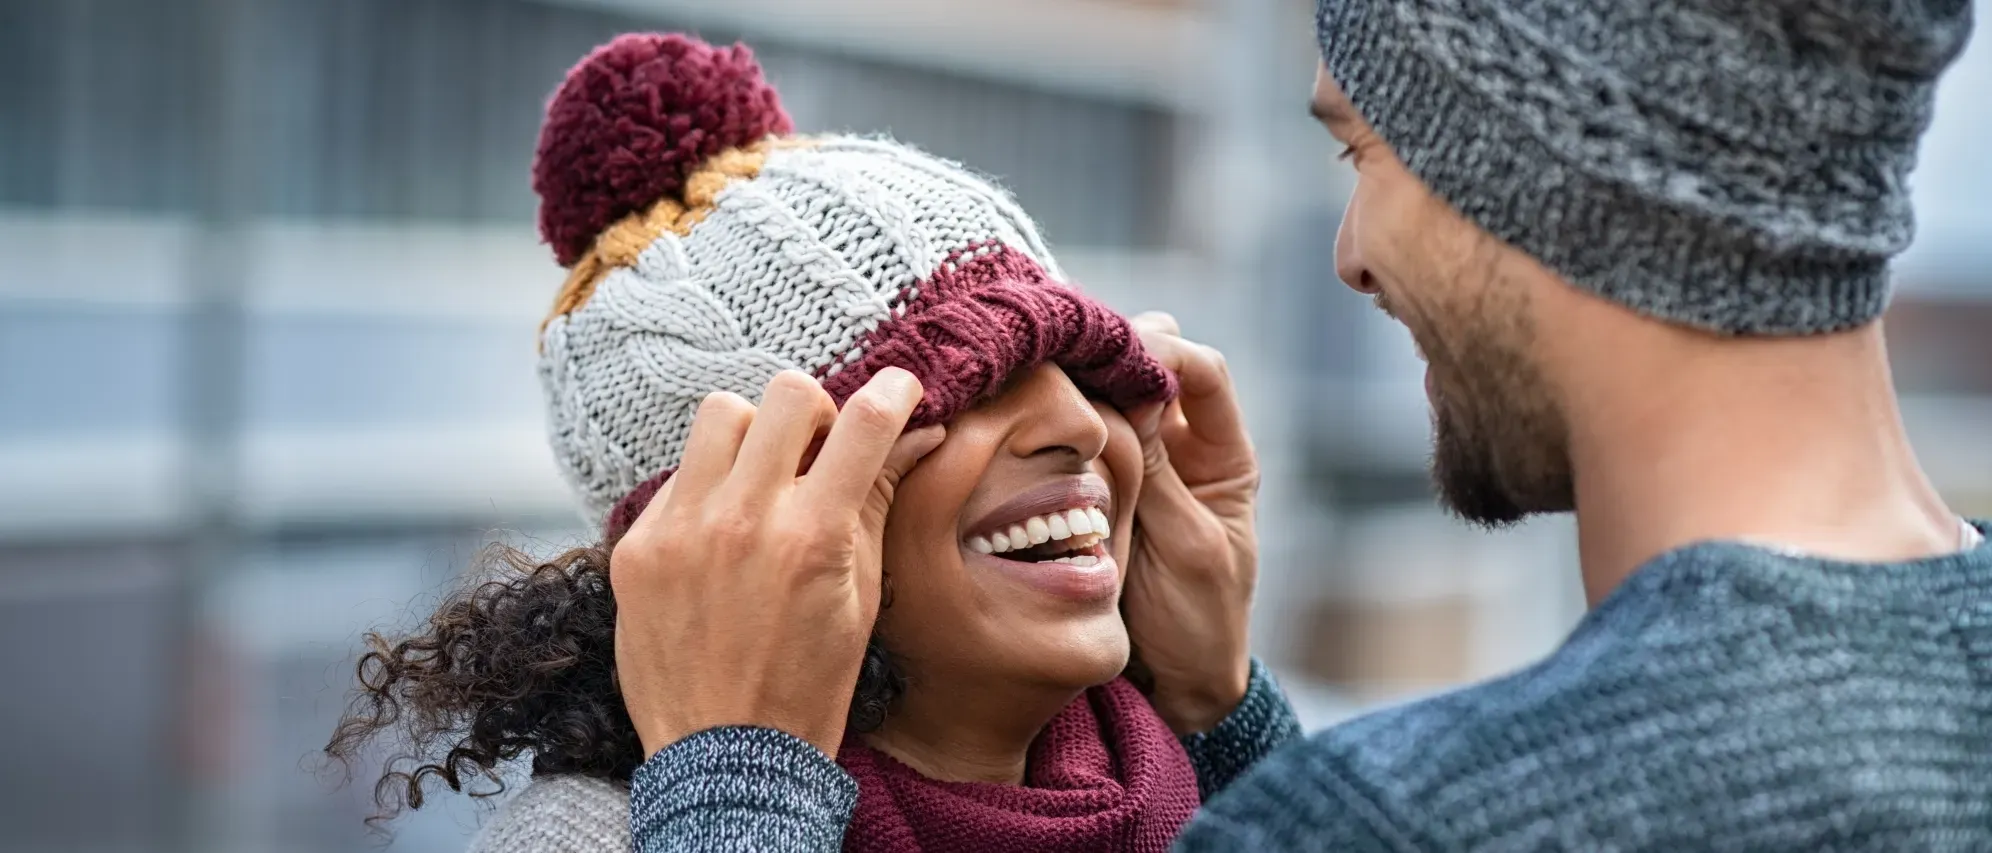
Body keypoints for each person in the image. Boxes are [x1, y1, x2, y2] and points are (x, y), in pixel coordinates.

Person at [612, 0, 1992, 851]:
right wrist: (1227, 717)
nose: (1352, 254)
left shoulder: (1410, 821)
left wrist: (733, 795)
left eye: (1361, 154)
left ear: (1532, 168)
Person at [321, 33, 1297, 853]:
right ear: (734, 534)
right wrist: (742, 790)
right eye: (970, 386)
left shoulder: (1198, 776)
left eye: (1083, 368)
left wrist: (1224, 713)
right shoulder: (585, 838)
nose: (1081, 425)